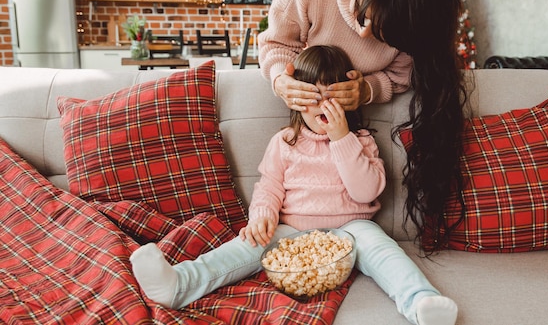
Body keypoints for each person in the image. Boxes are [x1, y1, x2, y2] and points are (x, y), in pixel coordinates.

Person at [130, 45, 458, 325]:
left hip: (353, 228)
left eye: (332, 96)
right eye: (314, 95)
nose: (323, 106)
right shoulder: (285, 142)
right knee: (243, 246)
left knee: (386, 252)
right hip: (292, 230)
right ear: (298, 99)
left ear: (349, 99)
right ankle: (178, 284)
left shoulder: (360, 141)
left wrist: (341, 137)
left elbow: (366, 192)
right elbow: (269, 187)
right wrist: (261, 217)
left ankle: (420, 303)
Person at [258, 0, 468, 254]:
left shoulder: (415, 28)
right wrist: (279, 79)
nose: (364, 33)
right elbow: (274, 42)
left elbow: (401, 76)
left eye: (385, 33)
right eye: (364, 13)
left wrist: (366, 90)